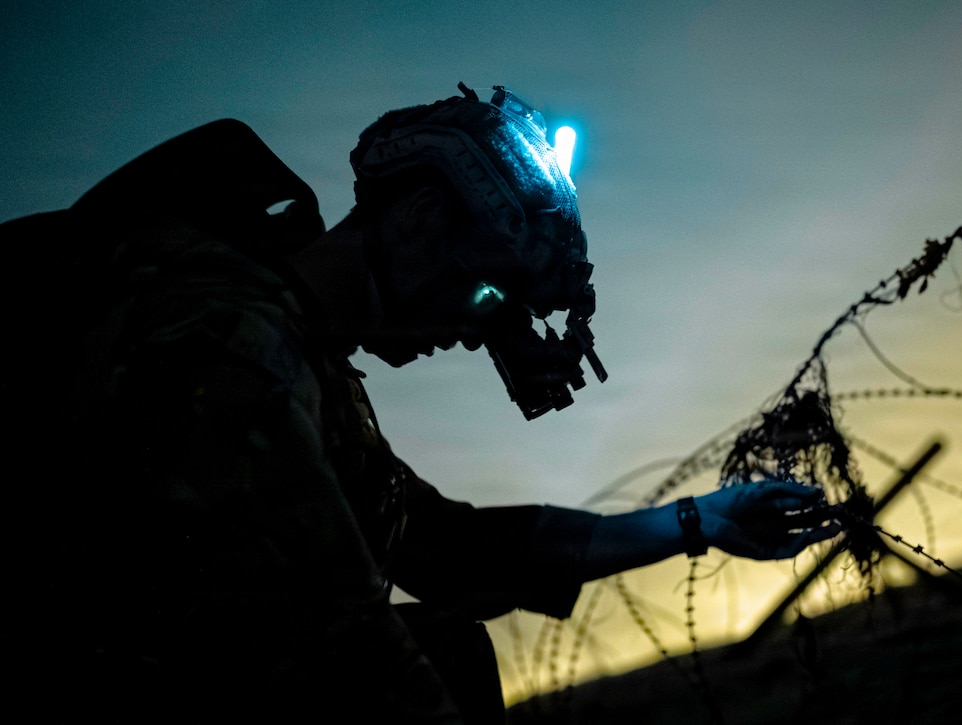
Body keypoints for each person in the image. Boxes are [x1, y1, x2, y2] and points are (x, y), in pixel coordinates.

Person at [0, 83, 841, 723]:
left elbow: (443, 544)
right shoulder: (227, 340)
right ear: (421, 219)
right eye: (491, 288)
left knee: (448, 645)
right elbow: (346, 650)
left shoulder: (306, 359)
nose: (484, 330)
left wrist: (699, 521)